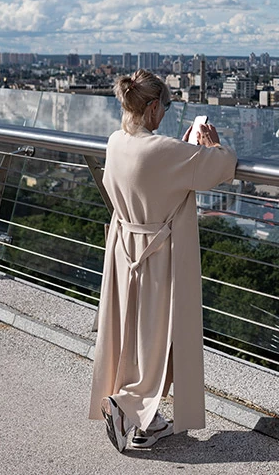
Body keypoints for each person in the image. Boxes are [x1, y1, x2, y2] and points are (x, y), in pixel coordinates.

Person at [88, 70, 237, 452]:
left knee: (135, 337)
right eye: (165, 106)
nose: (166, 114)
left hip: (125, 249)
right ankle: (128, 406)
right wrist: (213, 145)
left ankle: (148, 421)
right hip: (160, 255)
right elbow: (219, 168)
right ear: (153, 107)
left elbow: (150, 173)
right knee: (159, 336)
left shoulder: (116, 141)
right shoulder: (166, 150)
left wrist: (184, 149)